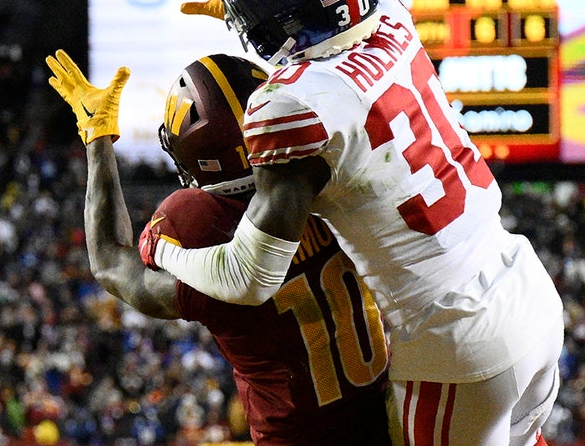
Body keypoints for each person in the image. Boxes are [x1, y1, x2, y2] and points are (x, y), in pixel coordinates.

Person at [138, 0, 567, 445]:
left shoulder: (284, 107)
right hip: (526, 289)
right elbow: (330, 65)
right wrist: (253, 3)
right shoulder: (391, 15)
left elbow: (247, 278)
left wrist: (164, 251)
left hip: (457, 340)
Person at [45, 49, 392, 445]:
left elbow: (110, 263)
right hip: (394, 418)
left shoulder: (200, 225)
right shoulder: (329, 177)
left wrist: (97, 138)